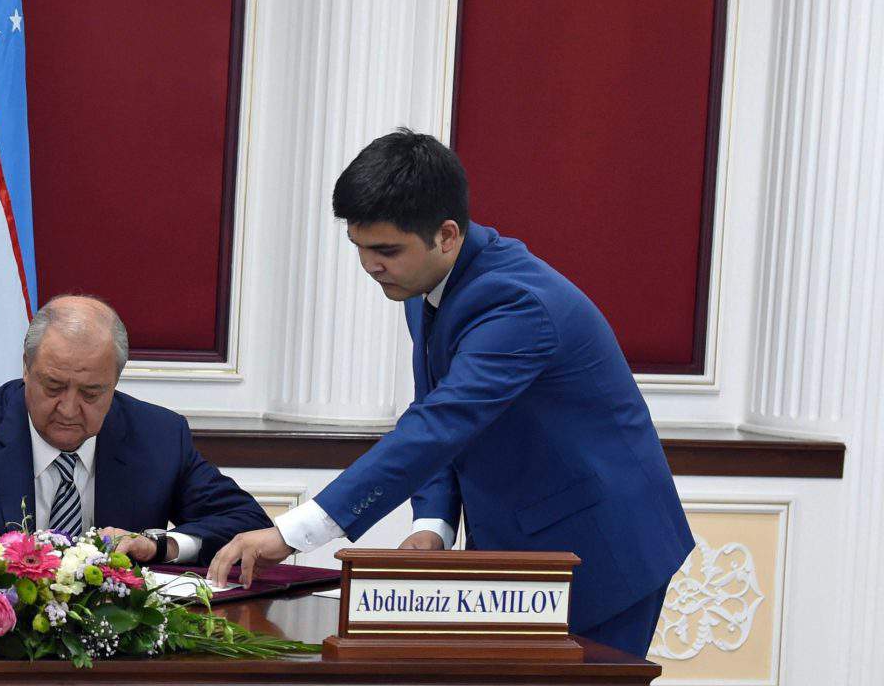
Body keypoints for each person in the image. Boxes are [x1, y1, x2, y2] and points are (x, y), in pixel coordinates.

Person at [208, 129, 692, 655]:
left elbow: (441, 425)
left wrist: (293, 533)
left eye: (386, 250)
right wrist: (433, 524)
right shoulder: (423, 287)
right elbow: (434, 407)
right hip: (522, 550)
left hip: (604, 551)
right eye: (360, 248)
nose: (370, 266)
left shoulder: (516, 304)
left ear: (446, 235)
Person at [0, 296, 268, 565]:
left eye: (91, 393)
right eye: (53, 386)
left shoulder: (158, 437)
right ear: (26, 369)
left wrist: (159, 545)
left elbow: (247, 521)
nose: (68, 408)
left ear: (115, 383)